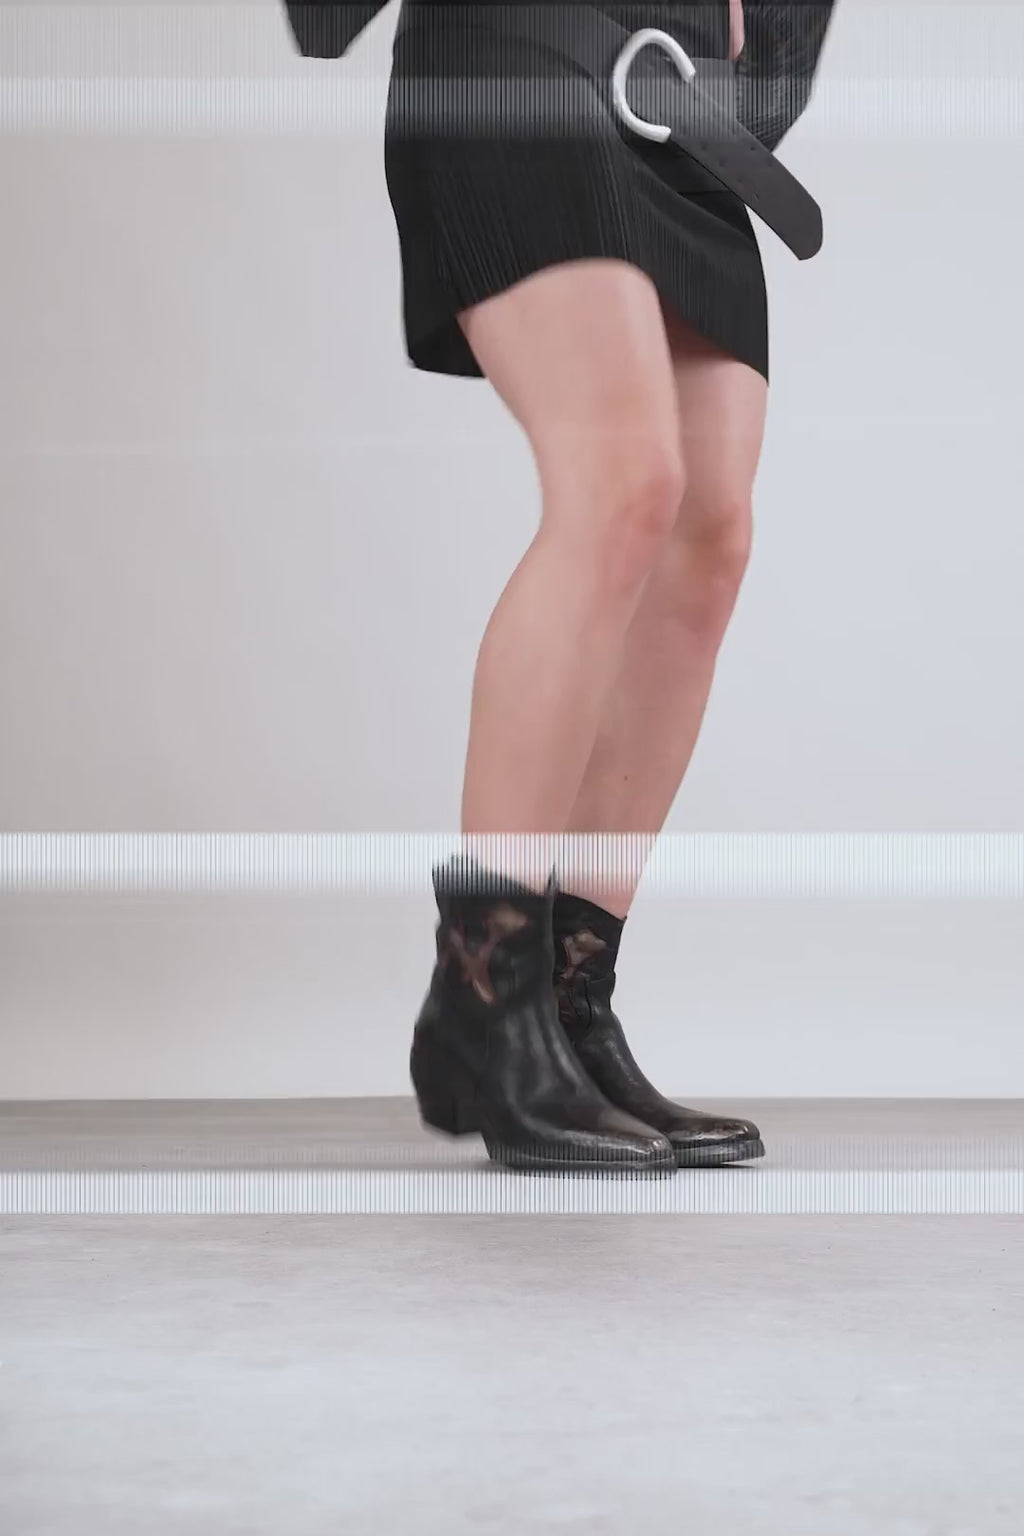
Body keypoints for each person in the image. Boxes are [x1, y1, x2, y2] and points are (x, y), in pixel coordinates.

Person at [282, 1, 836, 1172]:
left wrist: (758, 75)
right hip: (518, 49)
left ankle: (570, 1006)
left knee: (708, 535)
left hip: (684, 98)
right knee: (622, 487)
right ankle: (484, 999)